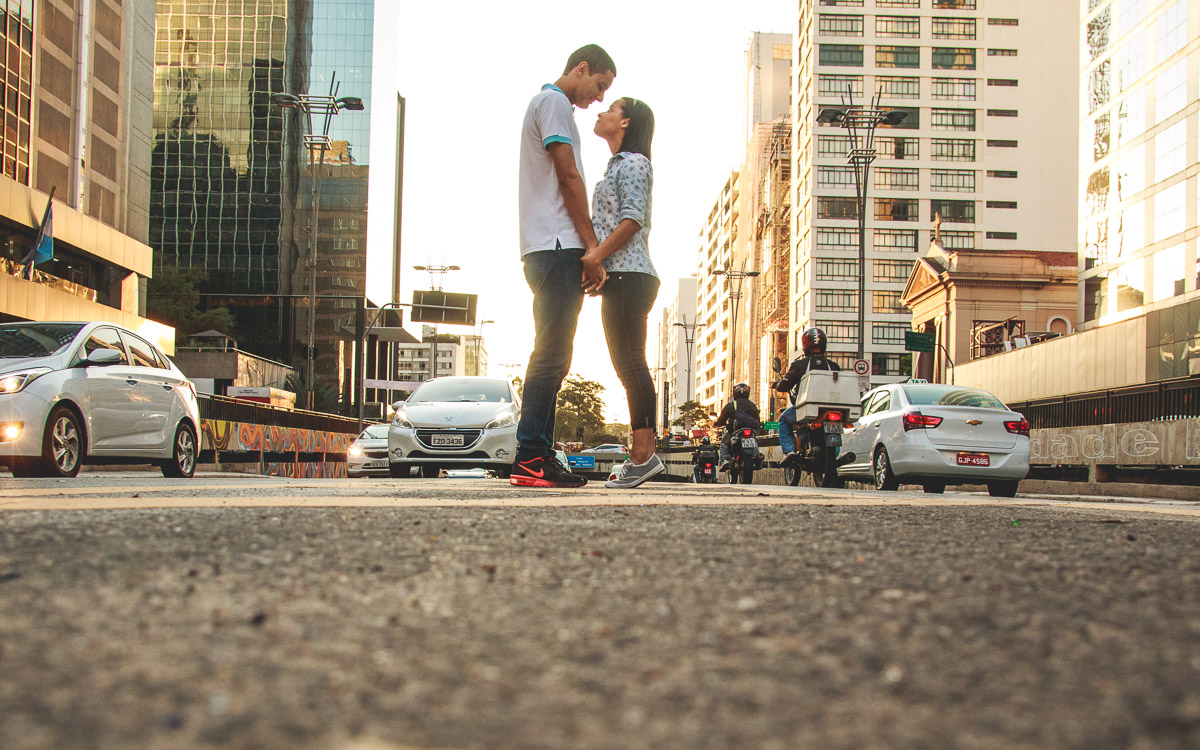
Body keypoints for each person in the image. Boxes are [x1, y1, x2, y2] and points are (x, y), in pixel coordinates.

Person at [510, 45, 616, 489]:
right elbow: (569, 176)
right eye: (600, 86)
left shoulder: (552, 107)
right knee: (551, 354)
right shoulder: (553, 102)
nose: (598, 98)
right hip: (556, 245)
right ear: (582, 68)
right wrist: (592, 248)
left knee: (555, 355)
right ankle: (531, 456)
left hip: (545, 247)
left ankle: (540, 452)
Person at [582, 96, 665, 489]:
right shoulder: (618, 164)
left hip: (630, 276)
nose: (601, 113)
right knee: (628, 367)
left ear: (626, 121)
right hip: (624, 277)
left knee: (632, 367)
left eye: (610, 108)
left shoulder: (634, 163)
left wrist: (596, 256)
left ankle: (643, 456)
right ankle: (643, 454)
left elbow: (633, 218)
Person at [773, 327, 841, 463]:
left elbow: (785, 385)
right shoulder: (834, 366)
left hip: (808, 409)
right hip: (831, 407)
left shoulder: (799, 365)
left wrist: (779, 385)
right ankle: (835, 453)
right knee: (836, 426)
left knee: (784, 420)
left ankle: (790, 451)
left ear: (805, 345)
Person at [713, 382, 761, 467]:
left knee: (724, 443)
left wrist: (717, 423)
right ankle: (757, 457)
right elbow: (758, 419)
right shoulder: (752, 405)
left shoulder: (732, 404)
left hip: (735, 430)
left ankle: (725, 460)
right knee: (754, 441)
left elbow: (722, 418)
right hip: (751, 430)